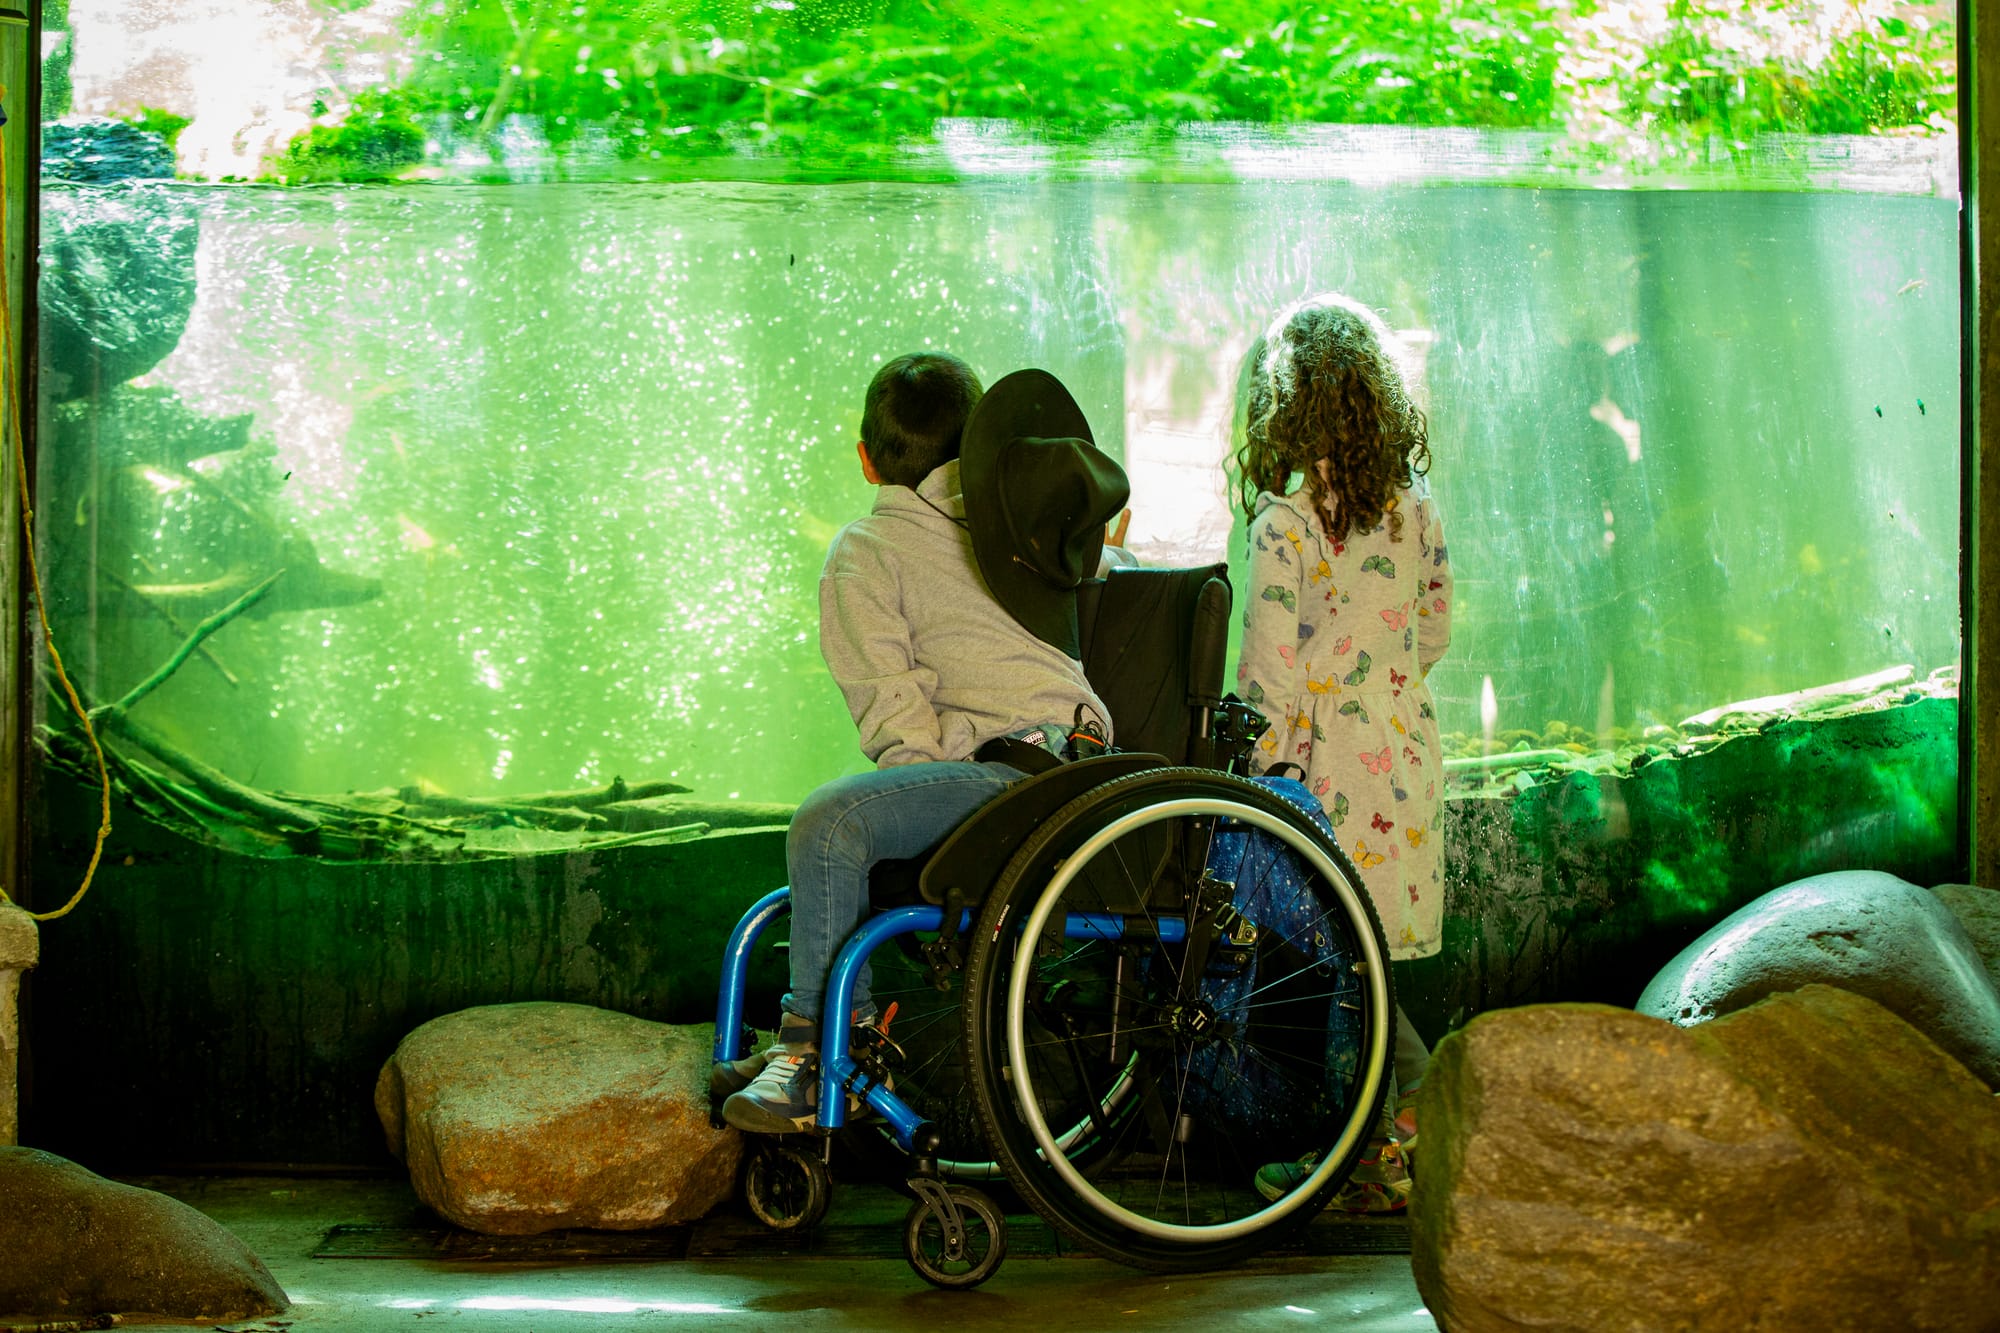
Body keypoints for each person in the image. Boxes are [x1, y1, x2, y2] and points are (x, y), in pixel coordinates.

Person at [718, 357, 1130, 1134]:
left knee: (832, 825)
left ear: (867, 459)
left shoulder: (867, 550)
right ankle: (809, 1032)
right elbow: (1111, 574)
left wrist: (913, 821)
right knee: (850, 824)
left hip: (1007, 782)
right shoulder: (1023, 521)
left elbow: (896, 723)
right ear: (981, 443)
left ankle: (823, 1049)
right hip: (1081, 772)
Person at [1229, 293, 1453, 1212]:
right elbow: (1433, 633)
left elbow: (1267, 675)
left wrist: (1263, 770)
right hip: (1404, 762)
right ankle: (1398, 1132)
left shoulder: (1284, 526)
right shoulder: (1415, 515)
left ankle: (1395, 1139)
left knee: (1343, 965)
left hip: (1322, 773)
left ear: (1282, 409)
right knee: (1371, 965)